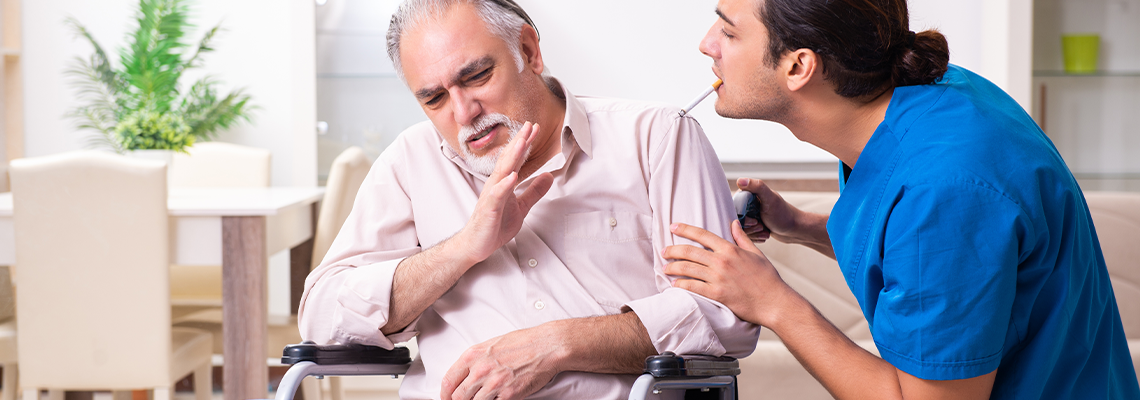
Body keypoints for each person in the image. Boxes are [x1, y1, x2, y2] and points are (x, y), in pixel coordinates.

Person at [662, 0, 1140, 399]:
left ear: (798, 66)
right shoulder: (934, 95)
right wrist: (803, 226)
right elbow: (941, 262)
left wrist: (772, 302)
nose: (707, 44)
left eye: (728, 32)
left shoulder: (945, 188)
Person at [297, 0, 760, 399]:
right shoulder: (409, 162)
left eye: (477, 76)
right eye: (435, 99)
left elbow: (725, 315)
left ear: (529, 51)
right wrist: (463, 249)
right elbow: (322, 319)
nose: (464, 113)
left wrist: (557, 344)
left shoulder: (656, 138)